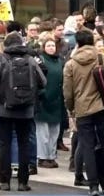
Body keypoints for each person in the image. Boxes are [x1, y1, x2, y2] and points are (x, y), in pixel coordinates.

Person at [63, 27, 104, 196]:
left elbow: (67, 92)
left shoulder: (71, 64)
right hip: (102, 107)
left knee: (87, 146)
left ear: (77, 43)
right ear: (92, 41)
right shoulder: (101, 58)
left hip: (82, 109)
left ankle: (93, 186)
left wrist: (71, 109)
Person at [0, 32, 45, 191]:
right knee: (24, 144)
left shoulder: (1, 59)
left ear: (6, 44)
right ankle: (23, 183)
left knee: (4, 144)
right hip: (26, 109)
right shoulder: (30, 60)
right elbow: (42, 82)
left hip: (3, 108)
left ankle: (4, 181)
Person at [35, 34, 64, 168]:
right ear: (44, 47)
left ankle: (51, 155)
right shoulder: (40, 60)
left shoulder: (60, 61)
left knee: (54, 131)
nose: (51, 48)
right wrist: (41, 93)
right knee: (43, 132)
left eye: (53, 45)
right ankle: (42, 157)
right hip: (43, 99)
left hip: (57, 100)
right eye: (48, 46)